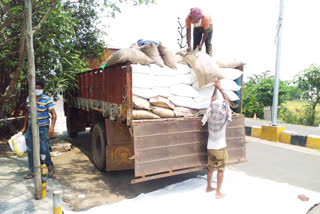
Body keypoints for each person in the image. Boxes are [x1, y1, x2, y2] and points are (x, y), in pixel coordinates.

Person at [201, 79, 232, 199]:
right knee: (220, 169)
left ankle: (208, 187)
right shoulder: (223, 118)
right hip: (220, 148)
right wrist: (220, 88)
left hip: (210, 147)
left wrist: (215, 87)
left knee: (210, 167)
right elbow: (227, 100)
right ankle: (218, 192)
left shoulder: (209, 116)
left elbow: (211, 102)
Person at [21, 80, 57, 179]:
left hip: (43, 127)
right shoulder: (29, 99)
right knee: (30, 149)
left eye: (39, 88)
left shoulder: (47, 99)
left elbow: (53, 114)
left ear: (42, 89)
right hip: (31, 127)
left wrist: (52, 127)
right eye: (35, 88)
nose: (37, 90)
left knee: (43, 149)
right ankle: (33, 171)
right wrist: (24, 127)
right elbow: (27, 113)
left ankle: (50, 166)